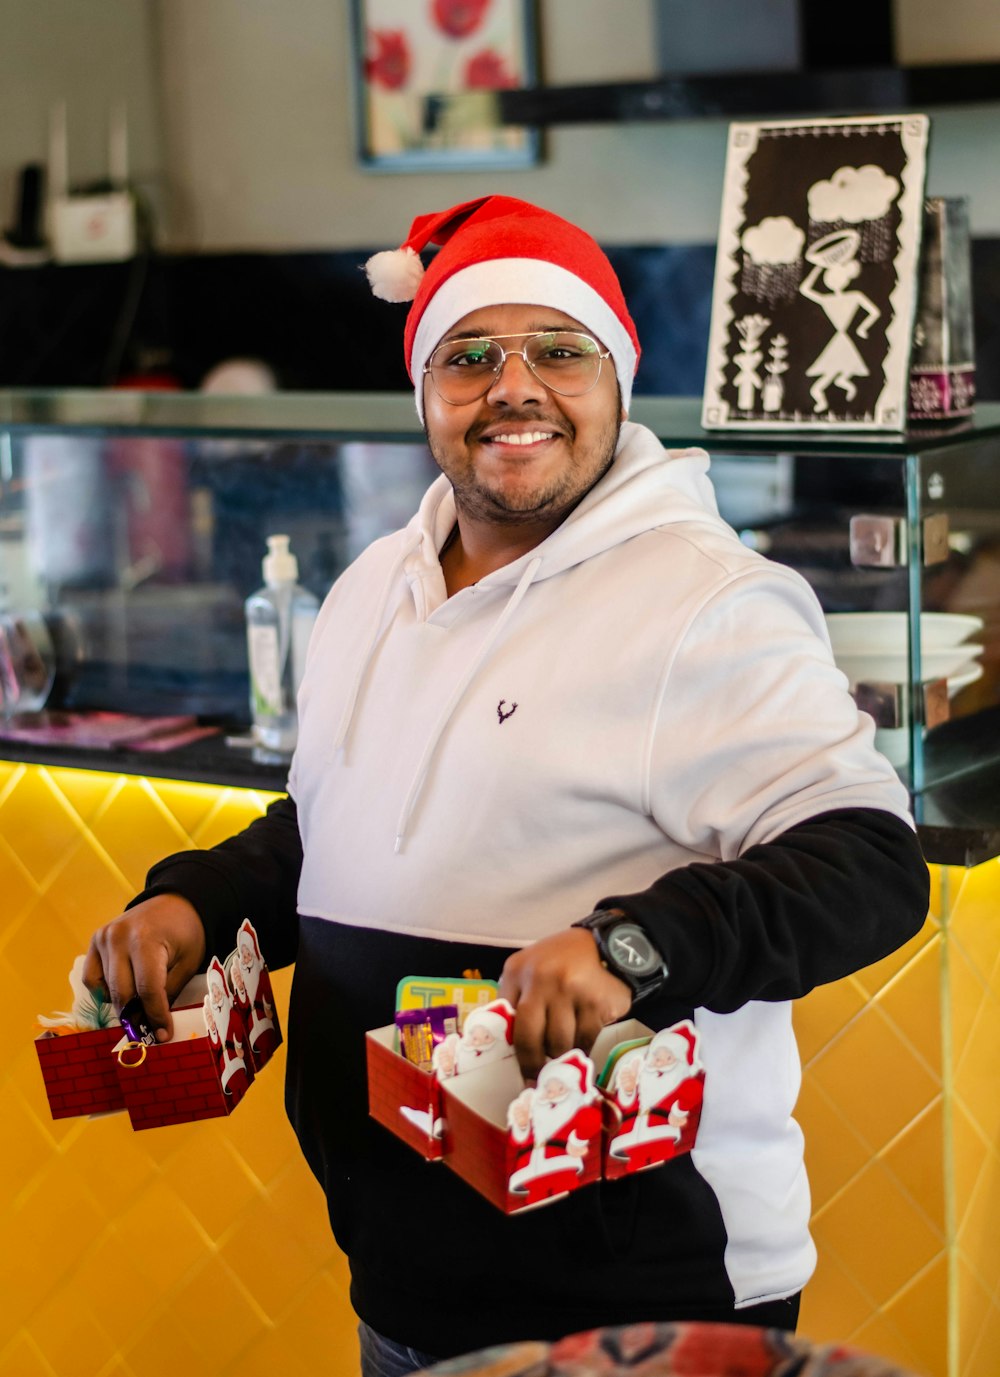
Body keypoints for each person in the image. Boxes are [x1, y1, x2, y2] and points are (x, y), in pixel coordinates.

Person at [83, 195, 929, 1376]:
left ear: (617, 378)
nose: (513, 386)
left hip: (634, 1294)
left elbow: (870, 866)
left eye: (559, 350)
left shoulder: (705, 601)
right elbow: (338, 822)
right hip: (399, 1273)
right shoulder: (376, 581)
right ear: (425, 388)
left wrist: (631, 948)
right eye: (469, 355)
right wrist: (197, 901)